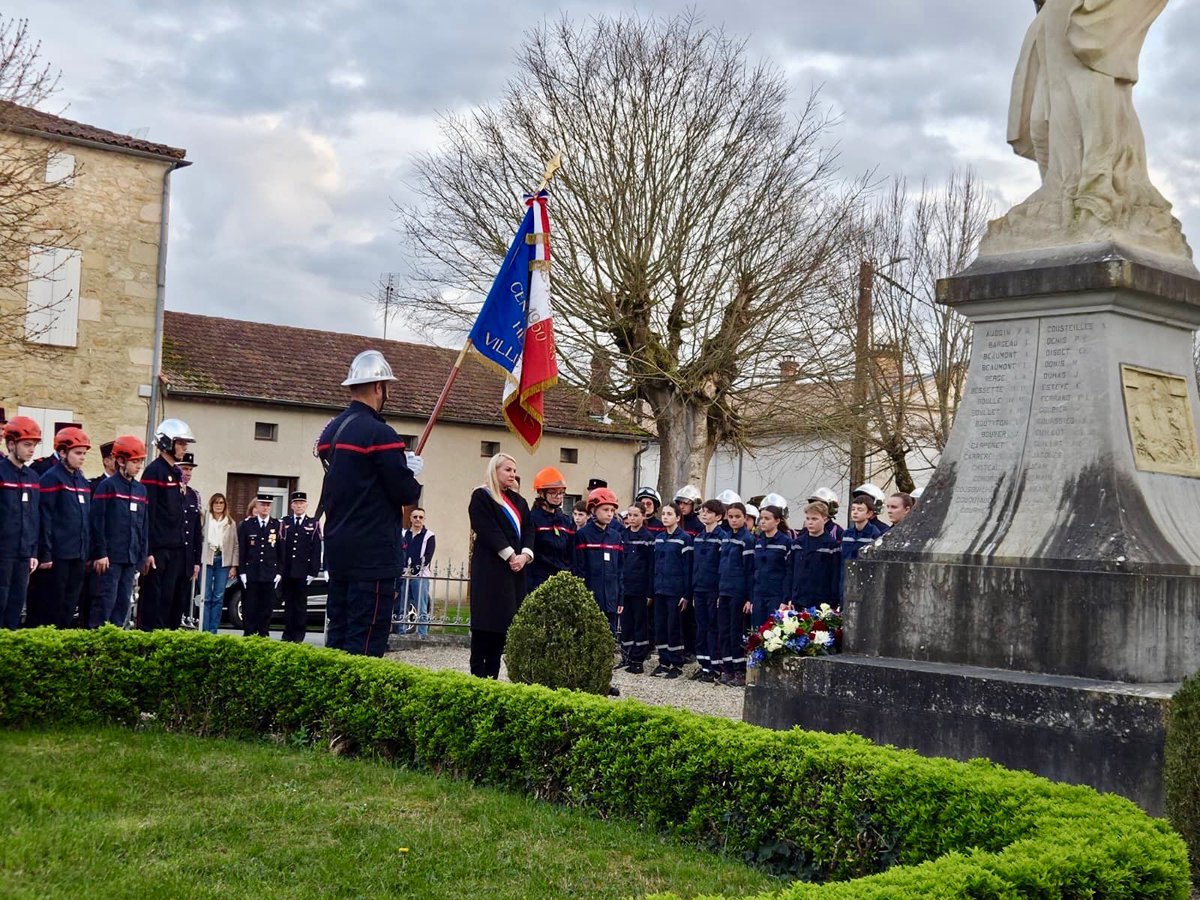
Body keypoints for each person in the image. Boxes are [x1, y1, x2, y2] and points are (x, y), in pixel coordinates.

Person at [317, 350, 423, 657]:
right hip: (373, 553)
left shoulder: (332, 431)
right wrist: (410, 472)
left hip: (339, 549)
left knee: (338, 633)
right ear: (379, 388)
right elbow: (404, 493)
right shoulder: (381, 433)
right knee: (366, 640)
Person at [467, 453, 533, 678]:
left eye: (514, 471)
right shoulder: (481, 496)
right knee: (485, 623)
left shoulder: (519, 501)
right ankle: (478, 674)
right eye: (508, 470)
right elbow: (485, 528)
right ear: (495, 470)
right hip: (489, 570)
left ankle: (493, 674)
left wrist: (524, 555)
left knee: (503, 625)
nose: (512, 474)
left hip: (514, 572)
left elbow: (529, 531)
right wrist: (509, 554)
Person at [138, 418, 196, 630]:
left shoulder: (175, 473)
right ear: (166, 443)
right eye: (180, 442)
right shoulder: (155, 472)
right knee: (153, 600)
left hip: (175, 548)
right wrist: (148, 549)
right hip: (159, 548)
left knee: (170, 600)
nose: (184, 447)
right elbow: (149, 514)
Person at [32, 427, 93, 628]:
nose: (82, 458)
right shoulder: (51, 478)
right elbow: (45, 518)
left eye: (84, 453)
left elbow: (86, 519)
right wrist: (46, 553)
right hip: (59, 555)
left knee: (69, 605)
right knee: (52, 606)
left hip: (78, 554)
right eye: (78, 453)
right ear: (63, 452)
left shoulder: (82, 480)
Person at [89, 435, 148, 628]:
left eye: (140, 461)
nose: (138, 466)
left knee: (123, 604)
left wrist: (142, 556)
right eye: (135, 461)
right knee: (105, 603)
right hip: (110, 559)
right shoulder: (107, 486)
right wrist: (100, 553)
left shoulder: (141, 490)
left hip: (130, 559)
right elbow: (97, 522)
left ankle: (115, 645)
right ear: (121, 461)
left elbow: (143, 525)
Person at [0, 416, 42, 629]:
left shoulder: (33, 477)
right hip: (3, 553)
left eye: (34, 445)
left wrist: (33, 552)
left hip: (24, 554)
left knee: (16, 605)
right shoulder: (1, 473)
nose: (31, 450)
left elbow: (34, 517)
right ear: (10, 444)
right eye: (27, 445)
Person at [573, 487, 623, 636]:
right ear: (594, 510)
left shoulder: (616, 537)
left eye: (612, 511)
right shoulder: (583, 535)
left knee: (609, 638)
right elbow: (578, 568)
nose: (609, 514)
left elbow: (620, 570)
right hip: (591, 598)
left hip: (611, 600)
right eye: (605, 509)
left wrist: (620, 598)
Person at [650, 501, 692, 679]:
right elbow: (654, 565)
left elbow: (688, 567)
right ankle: (663, 661)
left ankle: (676, 662)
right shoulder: (659, 538)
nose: (665, 517)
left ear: (677, 517)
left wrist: (686, 594)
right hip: (660, 589)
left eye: (669, 514)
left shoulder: (684, 538)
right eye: (663, 514)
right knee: (660, 626)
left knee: (673, 627)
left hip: (675, 590)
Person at [80, 441, 117, 628]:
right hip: (96, 556)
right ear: (106, 461)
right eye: (114, 458)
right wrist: (93, 553)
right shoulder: (94, 486)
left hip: (116, 553)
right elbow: (91, 522)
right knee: (93, 599)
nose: (118, 462)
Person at [717, 501, 754, 687]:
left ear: (744, 518)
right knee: (723, 631)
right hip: (724, 589)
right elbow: (721, 566)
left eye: (737, 517)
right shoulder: (725, 538)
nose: (733, 520)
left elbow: (749, 570)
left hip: (738, 591)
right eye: (730, 517)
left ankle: (739, 671)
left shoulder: (747, 539)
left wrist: (749, 597)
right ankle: (727, 668)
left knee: (735, 631)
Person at [689, 497, 726, 682]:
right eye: (702, 511)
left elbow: (722, 567)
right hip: (699, 589)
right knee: (701, 627)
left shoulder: (722, 538)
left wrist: (719, 591)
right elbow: (695, 565)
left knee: (713, 627)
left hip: (713, 589)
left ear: (718, 516)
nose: (704, 514)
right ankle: (703, 665)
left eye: (709, 511)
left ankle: (715, 666)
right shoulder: (698, 537)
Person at [237, 494, 284, 638]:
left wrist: (279, 572)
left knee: (266, 607)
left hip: (269, 572)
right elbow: (243, 550)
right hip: (251, 572)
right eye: (262, 504)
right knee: (249, 606)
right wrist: (242, 572)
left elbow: (281, 551)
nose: (265, 507)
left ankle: (263, 634)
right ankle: (249, 634)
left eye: (268, 505)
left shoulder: (277, 525)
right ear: (256, 506)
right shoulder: (247, 525)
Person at [279, 490, 322, 642]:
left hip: (303, 571)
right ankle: (287, 633)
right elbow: (281, 547)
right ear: (291, 505)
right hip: (288, 570)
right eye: (296, 503)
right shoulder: (285, 523)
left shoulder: (313, 523)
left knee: (300, 605)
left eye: (301, 503)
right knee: (288, 604)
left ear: (306, 505)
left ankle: (298, 634)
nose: (299, 506)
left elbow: (316, 549)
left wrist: (313, 571)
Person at [617, 504, 654, 674]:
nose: (632, 518)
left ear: (643, 516)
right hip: (625, 587)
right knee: (626, 624)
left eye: (636, 515)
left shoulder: (648, 538)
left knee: (640, 624)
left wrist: (649, 592)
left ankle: (638, 659)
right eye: (629, 515)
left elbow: (650, 566)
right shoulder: (622, 536)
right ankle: (626, 655)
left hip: (640, 588)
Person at [527, 467, 574, 594]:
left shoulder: (566, 521)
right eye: (553, 492)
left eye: (561, 492)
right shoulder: (531, 519)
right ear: (541, 493)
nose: (558, 496)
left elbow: (571, 552)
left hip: (562, 582)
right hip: (537, 582)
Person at [791, 501, 842, 607]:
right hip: (799, 599)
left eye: (814, 519)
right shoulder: (798, 543)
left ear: (825, 519)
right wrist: (788, 597)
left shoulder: (831, 545)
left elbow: (835, 575)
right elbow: (790, 571)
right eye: (808, 518)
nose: (810, 522)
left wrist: (834, 602)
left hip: (822, 601)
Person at [200, 492, 238, 634]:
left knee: (218, 596)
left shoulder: (230, 523)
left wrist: (234, 565)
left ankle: (213, 629)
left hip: (223, 561)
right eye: (216, 502)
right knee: (206, 596)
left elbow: (235, 545)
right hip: (207, 560)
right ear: (211, 504)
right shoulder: (204, 519)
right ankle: (204, 629)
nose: (218, 505)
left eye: (221, 503)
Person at [751, 505, 791, 629]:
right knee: (757, 631)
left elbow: (789, 571)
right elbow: (754, 569)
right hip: (759, 594)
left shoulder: (785, 542)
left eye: (767, 518)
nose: (762, 521)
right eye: (761, 518)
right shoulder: (758, 542)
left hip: (776, 594)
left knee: (772, 630)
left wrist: (785, 599)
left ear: (777, 521)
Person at [175, 452, 203, 628]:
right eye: (184, 468)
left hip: (187, 556)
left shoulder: (194, 495)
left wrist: (196, 560)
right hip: (173, 552)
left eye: (190, 470)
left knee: (182, 597)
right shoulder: (171, 491)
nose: (188, 473)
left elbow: (196, 531)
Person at [401, 507, 434, 636]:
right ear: (410, 518)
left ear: (424, 519)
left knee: (421, 606)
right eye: (415, 517)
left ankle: (422, 634)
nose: (417, 520)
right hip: (403, 574)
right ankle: (401, 631)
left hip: (420, 575)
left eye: (420, 517)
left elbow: (428, 556)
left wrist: (415, 570)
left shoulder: (429, 535)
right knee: (402, 605)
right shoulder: (404, 534)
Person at [842, 495, 884, 572]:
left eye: (860, 510)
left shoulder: (874, 534)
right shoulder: (846, 534)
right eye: (853, 509)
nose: (855, 512)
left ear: (869, 514)